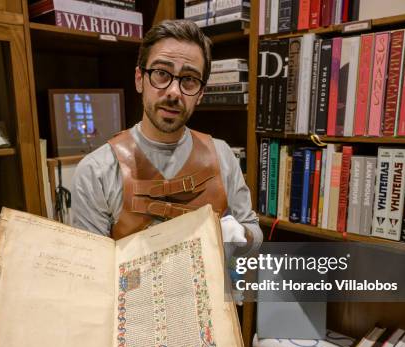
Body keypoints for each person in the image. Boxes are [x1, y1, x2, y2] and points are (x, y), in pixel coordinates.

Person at [70, 19, 262, 252]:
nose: (173, 92)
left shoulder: (222, 155)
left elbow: (252, 229)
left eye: (189, 80)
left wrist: (243, 236)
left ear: (200, 93)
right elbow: (92, 269)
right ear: (139, 79)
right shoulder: (96, 171)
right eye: (161, 73)